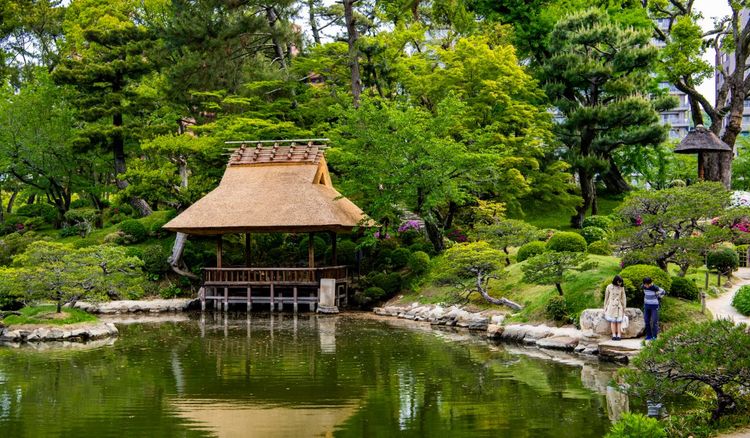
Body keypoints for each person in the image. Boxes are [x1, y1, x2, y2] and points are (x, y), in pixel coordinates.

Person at [603, 275, 626, 340]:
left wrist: (624, 307)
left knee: (619, 321)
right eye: (619, 282)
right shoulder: (609, 287)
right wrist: (605, 307)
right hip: (611, 306)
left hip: (619, 306)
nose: (620, 283)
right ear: (615, 281)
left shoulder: (622, 287)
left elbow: (623, 297)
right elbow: (606, 298)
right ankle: (614, 335)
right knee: (612, 321)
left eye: (621, 282)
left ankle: (619, 335)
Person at [642, 277, 666, 341]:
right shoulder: (643, 286)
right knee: (646, 320)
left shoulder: (655, 288)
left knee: (654, 321)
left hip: (654, 306)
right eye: (645, 284)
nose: (646, 286)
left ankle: (654, 336)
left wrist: (658, 297)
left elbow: (663, 292)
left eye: (647, 284)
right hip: (646, 305)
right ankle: (649, 335)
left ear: (650, 283)